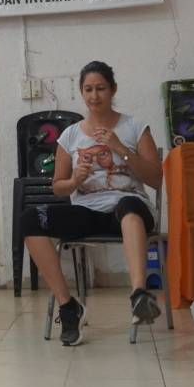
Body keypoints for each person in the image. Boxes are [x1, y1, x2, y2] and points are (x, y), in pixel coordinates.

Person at [21, 61, 163, 346]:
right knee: (29, 220)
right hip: (87, 211)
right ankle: (68, 306)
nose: (94, 96)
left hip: (128, 208)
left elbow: (157, 179)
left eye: (100, 89)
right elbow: (59, 187)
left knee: (130, 207)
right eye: (88, 89)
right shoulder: (70, 135)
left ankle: (138, 295)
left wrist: (120, 148)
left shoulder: (135, 127)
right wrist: (75, 180)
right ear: (81, 92)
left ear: (113, 90)